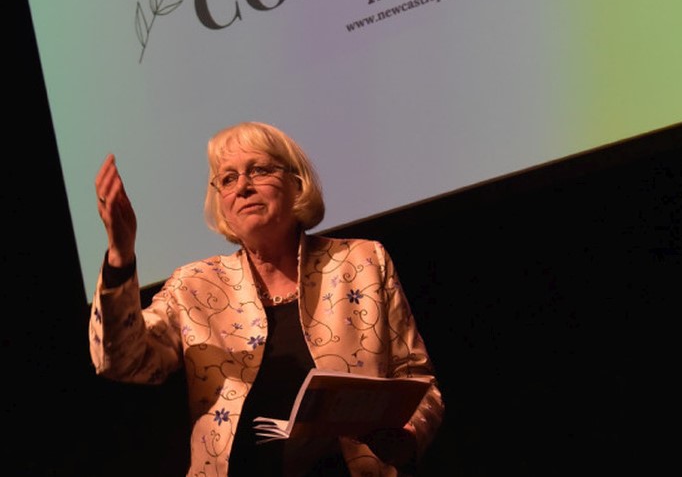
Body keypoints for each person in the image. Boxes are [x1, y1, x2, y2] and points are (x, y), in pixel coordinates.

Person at [89, 121, 444, 476]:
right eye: (227, 179)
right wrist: (121, 256)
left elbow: (418, 381)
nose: (242, 187)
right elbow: (123, 360)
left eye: (259, 170)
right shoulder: (193, 286)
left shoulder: (363, 262)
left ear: (296, 183)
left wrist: (408, 436)